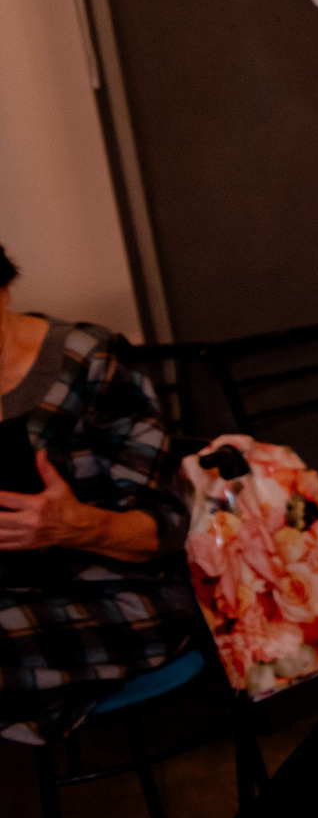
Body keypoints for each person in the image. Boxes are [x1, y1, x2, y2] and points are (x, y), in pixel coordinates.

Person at [0, 246, 197, 745]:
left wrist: (73, 524)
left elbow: (169, 526)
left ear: (3, 286)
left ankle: (41, 701)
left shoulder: (89, 359)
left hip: (119, 586)